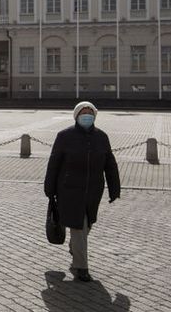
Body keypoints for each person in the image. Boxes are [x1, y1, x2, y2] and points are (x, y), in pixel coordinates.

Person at [44, 101, 121, 282]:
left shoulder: (102, 137)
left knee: (87, 224)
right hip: (69, 190)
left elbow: (110, 164)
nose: (87, 115)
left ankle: (74, 246)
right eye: (83, 112)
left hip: (93, 191)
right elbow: (54, 164)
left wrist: (114, 189)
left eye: (90, 112)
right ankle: (81, 267)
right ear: (76, 115)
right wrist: (50, 188)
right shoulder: (64, 136)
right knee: (79, 226)